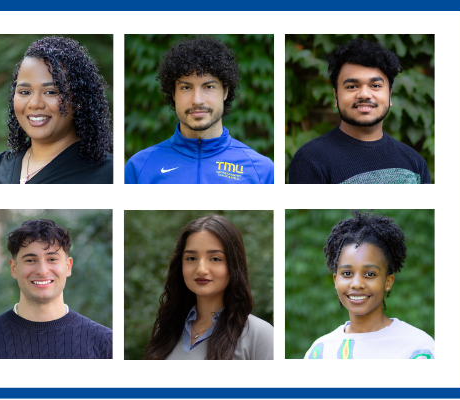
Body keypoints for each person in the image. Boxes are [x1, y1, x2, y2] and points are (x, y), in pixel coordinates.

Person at [124, 36, 274, 184]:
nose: (197, 100)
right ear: (173, 93)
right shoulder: (139, 167)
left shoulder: (261, 171)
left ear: (225, 91)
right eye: (186, 87)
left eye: (209, 87)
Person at [288, 38, 431, 184]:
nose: (364, 94)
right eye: (352, 86)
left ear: (389, 95)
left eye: (375, 86)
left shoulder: (415, 163)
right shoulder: (310, 160)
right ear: (336, 96)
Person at [0, 37, 113, 184]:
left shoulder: (107, 175)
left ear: (78, 100)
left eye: (51, 92)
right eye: (25, 92)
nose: (34, 104)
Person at [0, 219, 111, 359]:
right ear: (14, 268)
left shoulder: (105, 343)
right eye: (30, 260)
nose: (42, 271)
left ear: (68, 267)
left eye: (52, 259)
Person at [305, 211, 434, 359]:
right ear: (335, 280)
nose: (357, 284)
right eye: (347, 273)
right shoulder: (319, 352)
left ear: (388, 281)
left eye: (370, 274)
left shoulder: (418, 348)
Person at [143, 215, 273, 360]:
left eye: (215, 259)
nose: (201, 269)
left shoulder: (259, 335)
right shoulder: (165, 332)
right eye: (191, 258)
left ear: (234, 265)